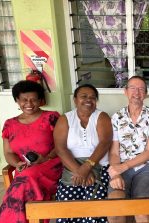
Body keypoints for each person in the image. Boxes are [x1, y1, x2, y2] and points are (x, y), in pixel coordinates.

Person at [0, 80, 62, 223]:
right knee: (25, 182)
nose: (29, 104)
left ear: (40, 100)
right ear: (17, 100)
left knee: (24, 181)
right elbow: (8, 153)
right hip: (24, 171)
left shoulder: (51, 117)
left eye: (33, 99)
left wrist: (46, 158)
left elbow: (63, 144)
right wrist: (17, 163)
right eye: (24, 100)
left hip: (51, 166)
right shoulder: (9, 124)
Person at [54, 84, 112, 223]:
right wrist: (79, 171)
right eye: (84, 96)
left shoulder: (101, 117)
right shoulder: (65, 119)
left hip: (98, 166)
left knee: (94, 209)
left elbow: (104, 143)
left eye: (92, 97)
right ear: (75, 100)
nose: (88, 100)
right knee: (68, 208)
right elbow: (60, 149)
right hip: (72, 167)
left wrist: (87, 167)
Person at [108, 76, 149, 223]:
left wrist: (122, 167)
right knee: (114, 211)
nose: (136, 92)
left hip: (144, 167)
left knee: (142, 212)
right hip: (120, 167)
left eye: (141, 89)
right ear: (125, 91)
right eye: (132, 88)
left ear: (145, 93)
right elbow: (113, 152)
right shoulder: (117, 117)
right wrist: (115, 174)